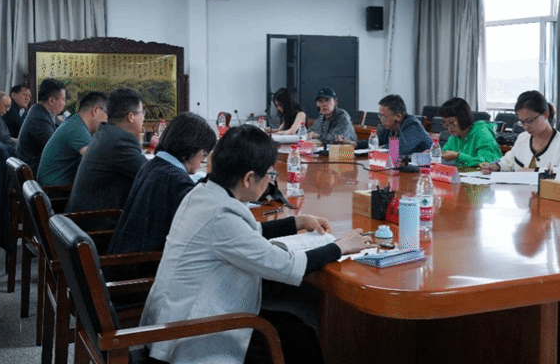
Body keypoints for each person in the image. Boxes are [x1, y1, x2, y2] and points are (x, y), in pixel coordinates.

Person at [140, 125, 373, 364]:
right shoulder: (221, 215)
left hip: (173, 323)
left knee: (293, 328)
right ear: (249, 178)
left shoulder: (204, 194)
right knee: (300, 338)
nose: (270, 180)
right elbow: (286, 265)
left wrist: (297, 222)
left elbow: (246, 234)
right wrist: (341, 246)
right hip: (190, 337)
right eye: (270, 174)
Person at [106, 112, 217, 279]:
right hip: (140, 277)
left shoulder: (152, 166)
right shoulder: (177, 182)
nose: (202, 159)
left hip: (123, 265)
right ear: (190, 149)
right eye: (204, 153)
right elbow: (201, 231)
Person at [65, 88, 148, 226]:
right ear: (131, 116)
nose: (143, 118)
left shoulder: (105, 132)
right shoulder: (119, 141)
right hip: (98, 229)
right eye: (142, 113)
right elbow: (151, 174)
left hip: (81, 222)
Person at [479, 91, 560, 181]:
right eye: (522, 122)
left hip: (546, 194)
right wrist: (496, 166)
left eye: (530, 121)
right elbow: (509, 161)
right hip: (519, 194)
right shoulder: (523, 138)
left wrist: (536, 171)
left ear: (545, 114)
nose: (526, 126)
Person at [37, 91, 109, 187]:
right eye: (108, 113)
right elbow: (97, 160)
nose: (108, 120)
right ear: (95, 110)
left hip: (53, 186)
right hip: (56, 190)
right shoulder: (77, 129)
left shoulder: (75, 122)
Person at [16, 79, 67, 175]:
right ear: (51, 101)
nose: (65, 103)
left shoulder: (40, 111)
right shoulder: (39, 119)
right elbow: (56, 149)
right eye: (63, 99)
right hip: (38, 173)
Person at [438, 97, 502, 167]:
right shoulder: (454, 137)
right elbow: (443, 154)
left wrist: (458, 156)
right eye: (445, 123)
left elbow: (488, 162)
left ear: (463, 118)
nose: (449, 127)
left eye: (451, 122)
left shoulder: (482, 132)